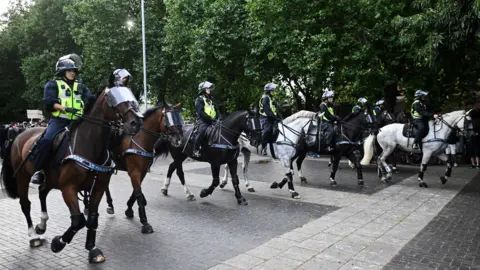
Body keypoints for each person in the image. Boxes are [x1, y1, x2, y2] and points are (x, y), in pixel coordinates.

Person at [30, 54, 95, 184]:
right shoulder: (53, 84)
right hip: (60, 120)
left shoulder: (81, 86)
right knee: (47, 140)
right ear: (63, 71)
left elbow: (91, 100)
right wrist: (65, 108)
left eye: (74, 71)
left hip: (78, 121)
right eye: (70, 70)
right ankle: (38, 170)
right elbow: (49, 102)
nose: (73, 73)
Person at [193, 81, 218, 157]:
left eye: (209, 89)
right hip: (203, 121)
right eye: (208, 88)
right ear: (203, 90)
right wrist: (210, 118)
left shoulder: (211, 99)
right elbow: (201, 113)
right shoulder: (199, 99)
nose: (209, 90)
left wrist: (219, 117)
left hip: (213, 120)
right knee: (201, 132)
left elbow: (217, 110)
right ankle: (196, 150)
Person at [259, 83, 280, 155]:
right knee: (267, 131)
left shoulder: (271, 98)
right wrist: (275, 118)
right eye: (273, 91)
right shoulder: (265, 99)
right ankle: (263, 147)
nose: (274, 92)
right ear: (269, 91)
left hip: (272, 118)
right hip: (265, 118)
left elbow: (274, 109)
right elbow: (267, 111)